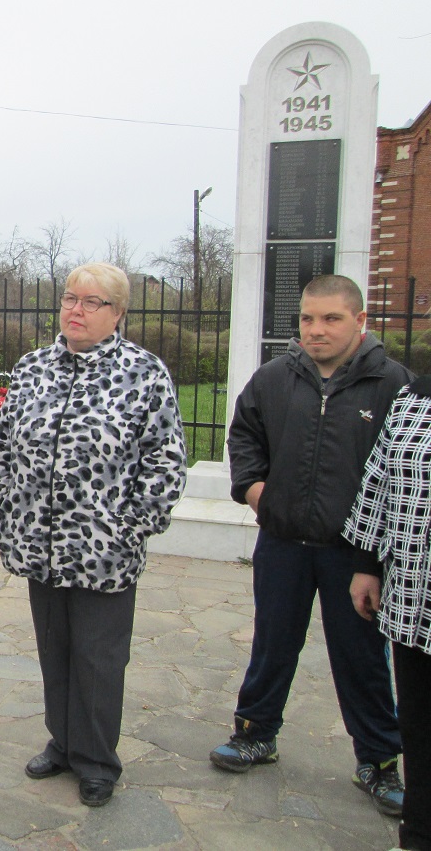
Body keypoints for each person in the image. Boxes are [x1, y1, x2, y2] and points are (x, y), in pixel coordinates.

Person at [0, 262, 187, 808]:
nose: (76, 309)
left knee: (99, 658)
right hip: (39, 545)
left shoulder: (144, 374)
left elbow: (165, 464)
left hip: (104, 553)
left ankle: (96, 759)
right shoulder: (31, 369)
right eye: (71, 297)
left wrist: (130, 529)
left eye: (92, 302)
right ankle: (63, 742)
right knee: (55, 649)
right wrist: (8, 507)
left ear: (118, 314)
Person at [209, 274, 409, 819]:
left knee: (362, 657)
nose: (315, 331)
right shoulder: (275, 378)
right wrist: (255, 490)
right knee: (273, 642)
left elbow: (404, 473)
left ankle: (378, 758)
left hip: (355, 554)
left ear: (360, 321)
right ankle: (255, 732)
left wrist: (375, 553)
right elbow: (244, 434)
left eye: (331, 319)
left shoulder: (393, 386)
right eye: (306, 319)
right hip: (283, 542)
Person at [345, 374, 431, 850]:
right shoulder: (414, 397)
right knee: (419, 720)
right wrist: (366, 565)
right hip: (415, 594)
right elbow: (378, 482)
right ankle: (418, 833)